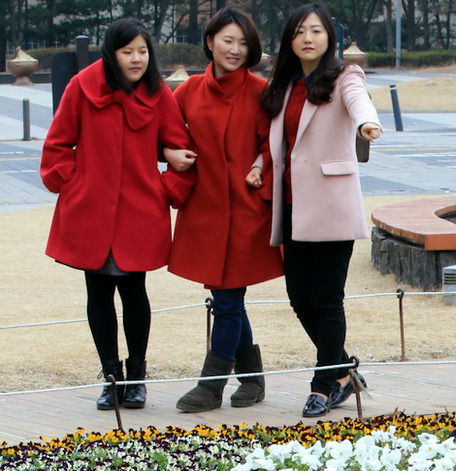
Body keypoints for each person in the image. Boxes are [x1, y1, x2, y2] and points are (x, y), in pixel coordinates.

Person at [40, 17, 193, 410]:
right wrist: (73, 184)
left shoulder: (160, 95)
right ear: (112, 53)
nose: (137, 59)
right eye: (128, 52)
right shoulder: (82, 86)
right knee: (98, 293)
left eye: (143, 51)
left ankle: (137, 378)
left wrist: (164, 191)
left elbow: (183, 154)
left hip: (140, 211)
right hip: (91, 210)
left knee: (134, 291)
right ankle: (111, 377)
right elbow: (57, 144)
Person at [263, 3, 382, 418]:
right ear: (289, 41)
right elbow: (276, 141)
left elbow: (358, 101)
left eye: (315, 31)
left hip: (331, 204)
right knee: (299, 296)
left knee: (327, 298)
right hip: (293, 206)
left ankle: (323, 384)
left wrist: (369, 123)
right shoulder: (285, 83)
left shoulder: (344, 76)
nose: (307, 38)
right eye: (299, 32)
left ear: (329, 37)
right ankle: (344, 369)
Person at [166, 7, 284, 413]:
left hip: (247, 211)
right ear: (210, 41)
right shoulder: (186, 92)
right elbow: (164, 134)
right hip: (206, 210)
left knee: (228, 299)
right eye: (228, 40)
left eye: (244, 43)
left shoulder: (260, 90)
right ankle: (252, 378)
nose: (235, 49)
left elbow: (275, 146)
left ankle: (211, 385)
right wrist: (169, 152)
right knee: (227, 297)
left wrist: (258, 167)